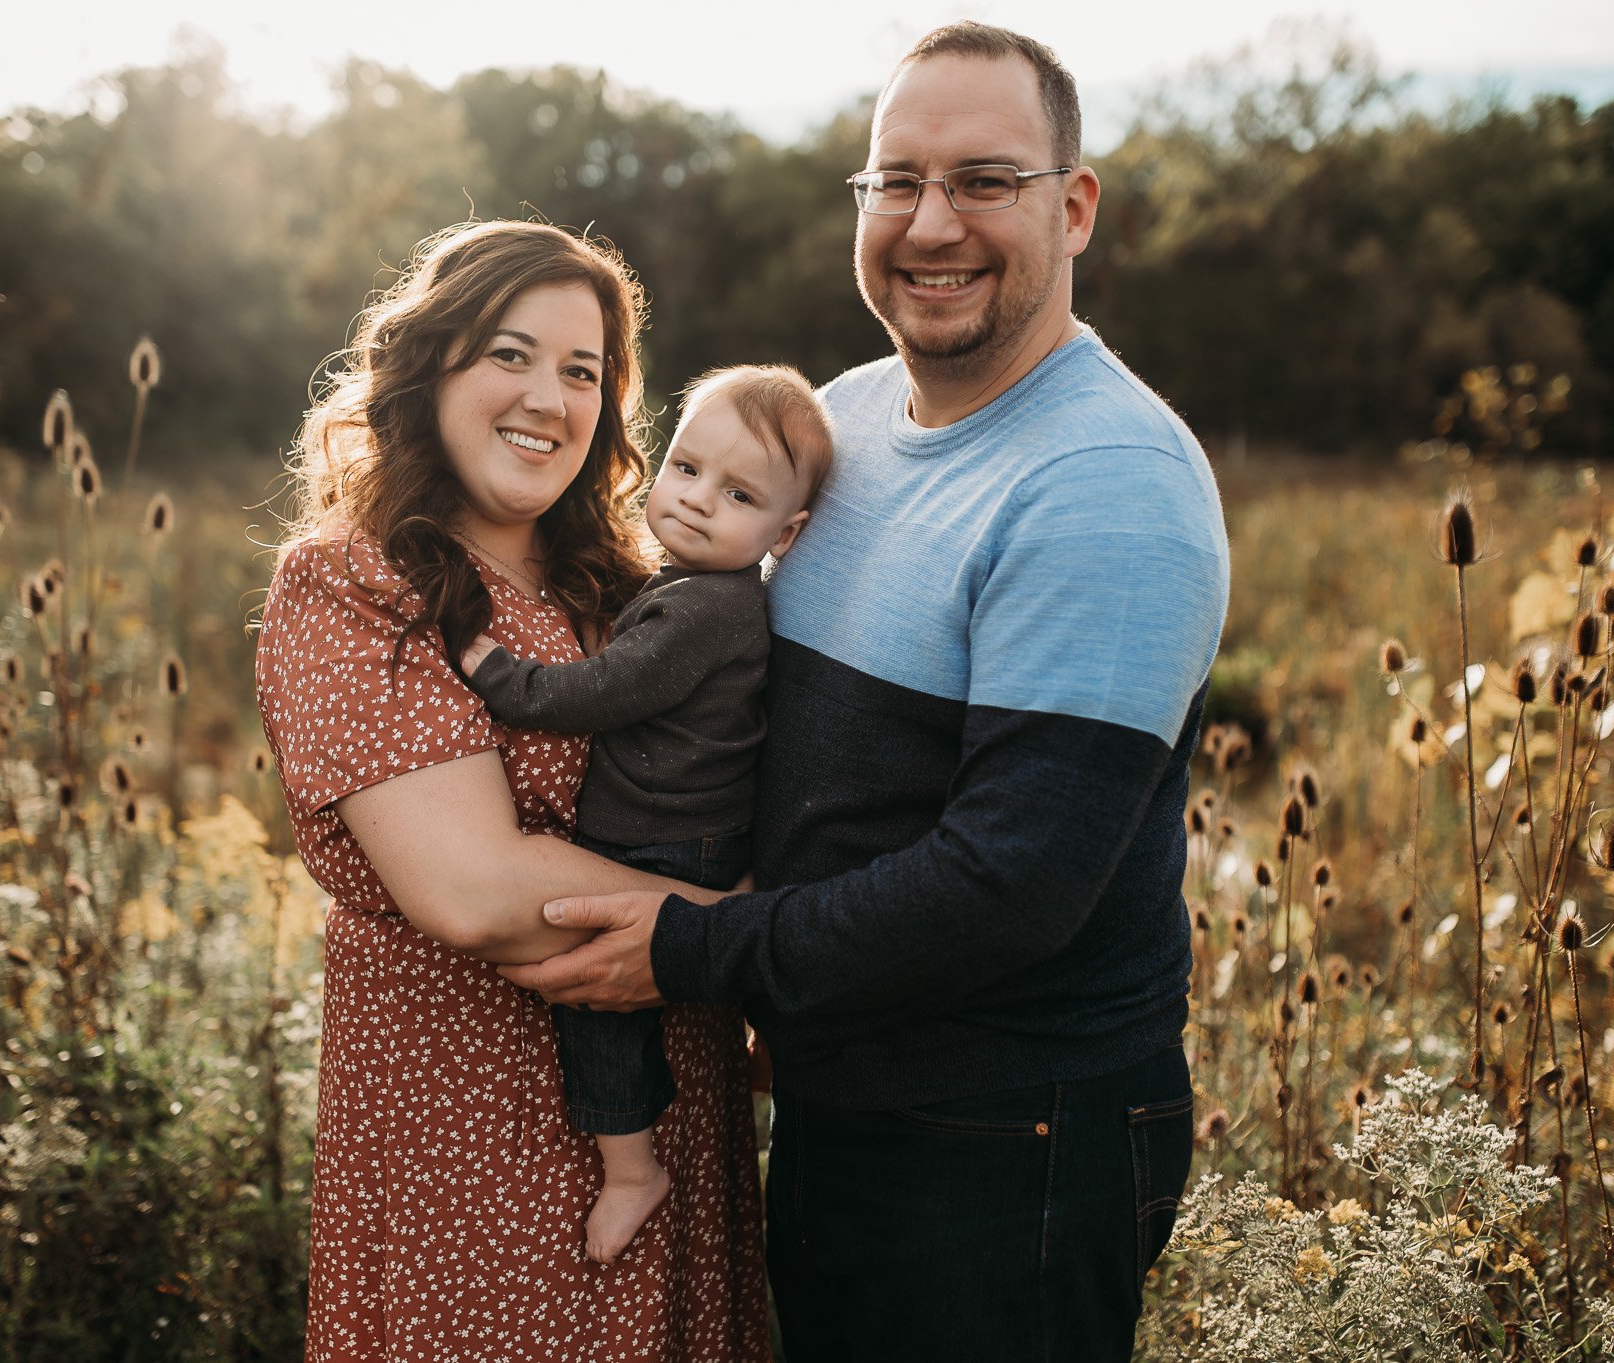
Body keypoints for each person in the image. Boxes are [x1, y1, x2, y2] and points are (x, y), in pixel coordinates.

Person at [499, 22, 1230, 1363]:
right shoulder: (836, 424)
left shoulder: (1107, 487)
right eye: (896, 179)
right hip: (854, 1088)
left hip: (1009, 1133)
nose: (930, 221)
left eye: (983, 180)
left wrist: (688, 945)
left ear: (1074, 207)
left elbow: (1009, 881)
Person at [254, 220, 769, 1362]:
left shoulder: (639, 589)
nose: (548, 396)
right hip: (472, 1133)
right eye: (509, 354)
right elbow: (475, 887)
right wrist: (745, 931)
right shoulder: (354, 579)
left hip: (676, 1115)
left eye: (582, 372)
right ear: (431, 362)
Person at [459, 364, 831, 1265]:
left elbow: (604, 691)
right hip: (685, 826)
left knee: (599, 993)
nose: (699, 501)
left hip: (668, 838)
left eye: (738, 493)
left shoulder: (708, 608)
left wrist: (494, 672)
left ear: (785, 532)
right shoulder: (692, 586)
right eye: (686, 468)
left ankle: (631, 1169)